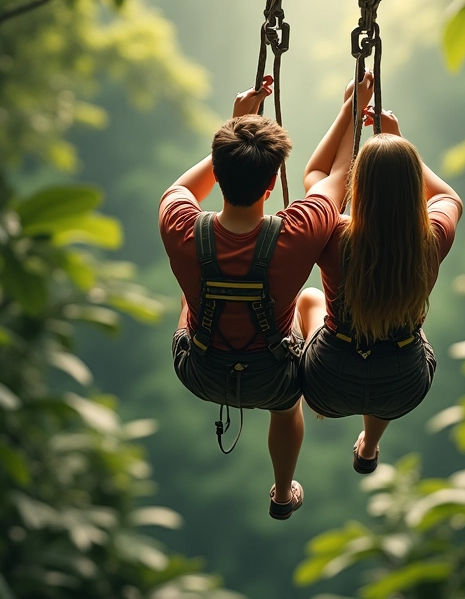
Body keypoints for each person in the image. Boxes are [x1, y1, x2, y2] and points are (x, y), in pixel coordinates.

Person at [158, 73, 374, 519]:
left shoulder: (178, 224)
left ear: (218, 175)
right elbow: (338, 174)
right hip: (270, 377)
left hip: (199, 368)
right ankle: (281, 491)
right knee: (287, 390)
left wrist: (235, 124)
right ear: (273, 183)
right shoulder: (299, 229)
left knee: (189, 291)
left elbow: (182, 189)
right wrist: (352, 110)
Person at [298, 91, 463, 474]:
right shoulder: (432, 239)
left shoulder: (334, 237)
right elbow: (447, 196)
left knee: (307, 299)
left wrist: (349, 115)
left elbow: (318, 177)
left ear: (360, 186)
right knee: (404, 343)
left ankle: (298, 403)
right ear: (412, 187)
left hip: (326, 383)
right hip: (402, 386)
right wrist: (399, 140)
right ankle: (369, 445)